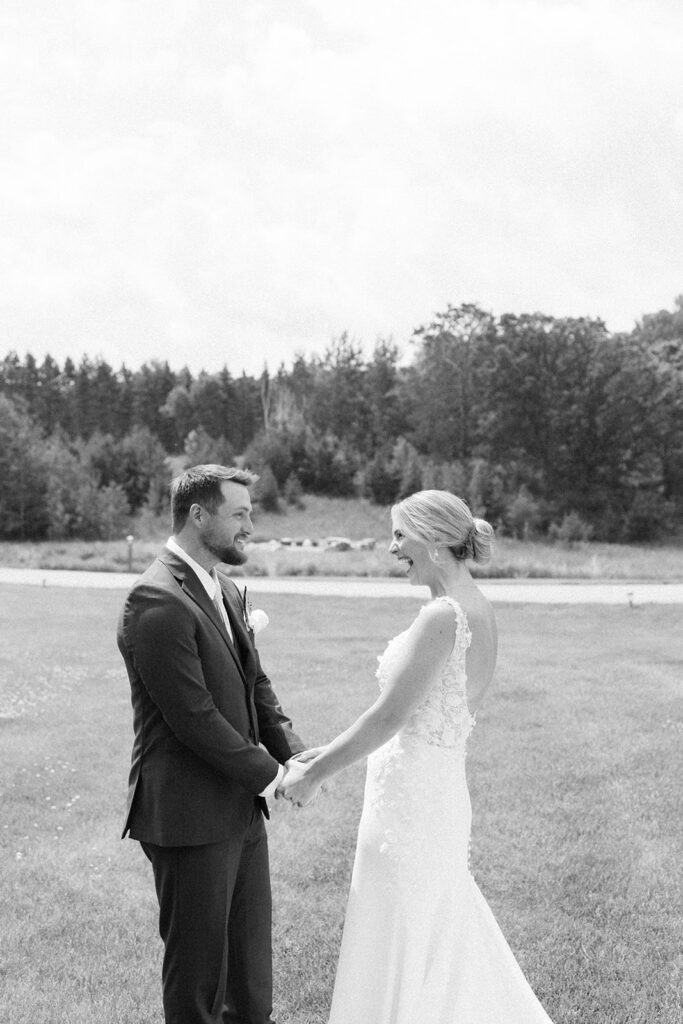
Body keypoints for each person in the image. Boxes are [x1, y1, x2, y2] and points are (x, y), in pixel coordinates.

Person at [281, 489, 555, 1023]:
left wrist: (314, 773)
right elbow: (411, 715)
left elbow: (390, 718)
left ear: (432, 540)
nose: (392, 548)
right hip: (432, 793)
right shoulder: (476, 608)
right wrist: (328, 750)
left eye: (399, 535)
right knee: (432, 927)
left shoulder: (443, 616)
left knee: (404, 928)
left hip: (411, 805)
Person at [117, 464, 307, 1024]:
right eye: (240, 514)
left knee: (250, 981)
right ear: (199, 515)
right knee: (199, 984)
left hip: (241, 810)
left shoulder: (221, 585)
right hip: (189, 814)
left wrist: (293, 752)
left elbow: (255, 683)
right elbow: (193, 718)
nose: (251, 525)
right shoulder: (153, 600)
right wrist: (274, 777)